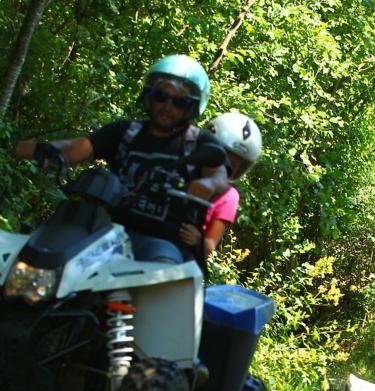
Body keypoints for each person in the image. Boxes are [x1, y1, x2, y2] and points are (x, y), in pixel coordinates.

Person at [15, 54, 243, 265]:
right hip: (102, 230)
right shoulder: (125, 132)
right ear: (149, 96)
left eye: (178, 102)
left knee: (162, 274)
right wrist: (41, 150)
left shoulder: (200, 142)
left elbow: (218, 175)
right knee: (45, 256)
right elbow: (79, 147)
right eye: (161, 96)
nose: (167, 106)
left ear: (191, 107)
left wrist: (207, 184)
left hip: (161, 241)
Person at [179, 112, 262, 258]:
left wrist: (198, 239)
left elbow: (210, 244)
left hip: (183, 256)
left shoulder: (229, 197)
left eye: (237, 165)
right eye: (225, 159)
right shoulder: (182, 167)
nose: (230, 167)